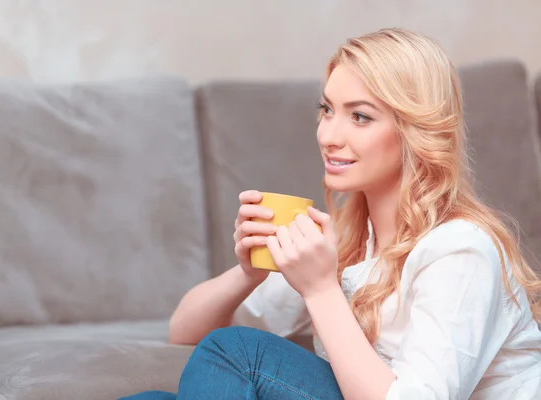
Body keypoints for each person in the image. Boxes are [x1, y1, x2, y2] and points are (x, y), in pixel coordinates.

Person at [120, 28, 541, 399]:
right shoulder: (346, 242)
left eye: (359, 116)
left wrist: (321, 291)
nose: (329, 135)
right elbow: (186, 331)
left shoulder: (460, 250)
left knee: (239, 355)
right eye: (327, 110)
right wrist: (248, 273)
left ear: (417, 131)